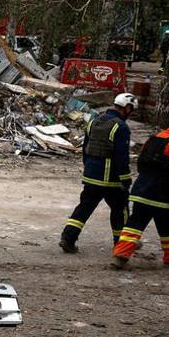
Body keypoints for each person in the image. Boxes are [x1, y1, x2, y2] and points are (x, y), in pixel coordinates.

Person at [112, 115, 169, 269]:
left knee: (134, 225)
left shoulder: (151, 140)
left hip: (141, 192)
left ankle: (120, 257)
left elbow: (140, 165)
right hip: (163, 197)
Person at [61, 93, 135, 253]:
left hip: (91, 174)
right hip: (110, 178)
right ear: (127, 108)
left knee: (85, 206)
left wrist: (89, 167)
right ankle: (122, 244)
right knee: (120, 209)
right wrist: (125, 179)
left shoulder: (94, 121)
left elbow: (85, 148)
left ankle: (68, 238)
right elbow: (121, 157)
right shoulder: (121, 127)